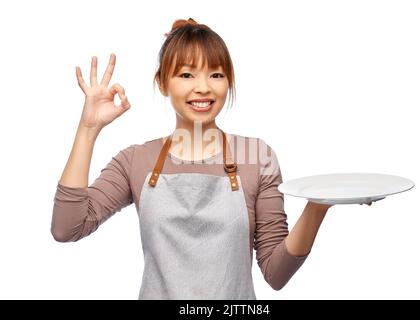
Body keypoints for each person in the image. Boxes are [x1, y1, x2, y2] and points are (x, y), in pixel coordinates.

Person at [51, 18, 340, 300]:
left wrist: (317, 207)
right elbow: (67, 227)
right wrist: (88, 130)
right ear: (162, 83)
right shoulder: (137, 160)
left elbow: (276, 275)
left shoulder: (257, 157)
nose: (203, 87)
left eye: (216, 74)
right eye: (187, 75)